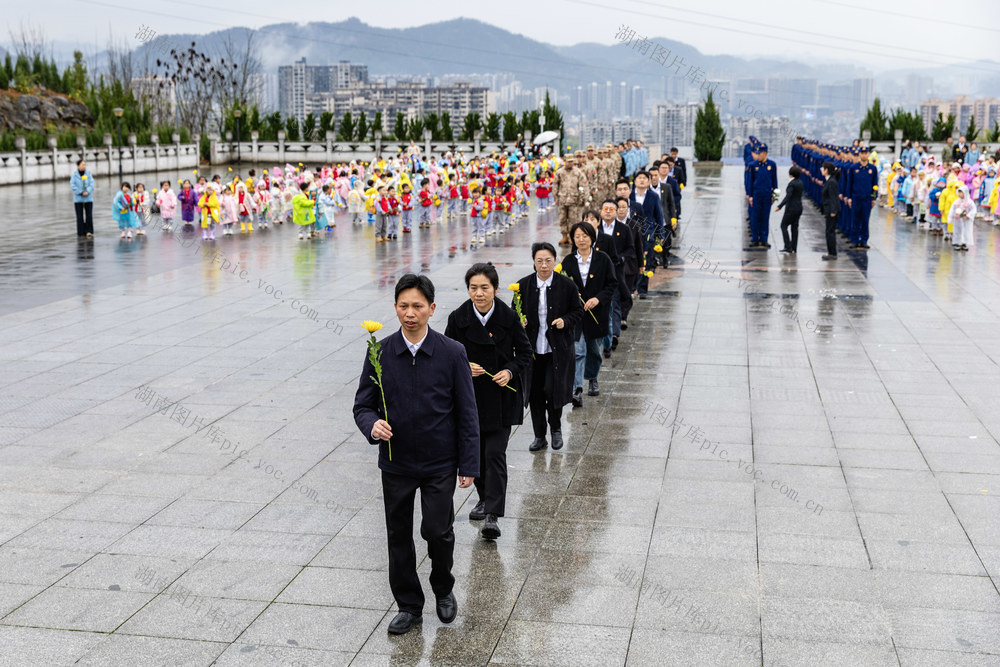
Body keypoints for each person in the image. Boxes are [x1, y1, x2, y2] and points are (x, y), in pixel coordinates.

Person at [353, 274, 480, 636]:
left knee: (438, 531)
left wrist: (469, 464)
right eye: (403, 306)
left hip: (440, 462)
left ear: (432, 309)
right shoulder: (379, 352)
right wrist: (372, 425)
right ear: (395, 308)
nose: (410, 313)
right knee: (398, 535)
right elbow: (363, 405)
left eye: (418, 306)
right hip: (397, 463)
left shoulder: (452, 353)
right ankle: (409, 605)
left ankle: (443, 587)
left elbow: (467, 412)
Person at [444, 263, 532, 541]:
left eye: (484, 287)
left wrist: (509, 371)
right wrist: (464, 366)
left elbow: (525, 353)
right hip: (469, 399)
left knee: (494, 454)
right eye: (473, 288)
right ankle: (483, 497)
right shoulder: (458, 318)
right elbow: (445, 356)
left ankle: (492, 514)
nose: (479, 293)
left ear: (495, 289)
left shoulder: (508, 316)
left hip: (501, 398)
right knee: (476, 454)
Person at [515, 243, 584, 451]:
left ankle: (555, 429)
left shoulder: (567, 285)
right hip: (533, 352)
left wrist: (565, 321)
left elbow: (578, 311)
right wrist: (520, 321)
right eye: (539, 261)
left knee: (552, 390)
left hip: (557, 350)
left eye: (548, 261)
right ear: (534, 262)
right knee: (535, 393)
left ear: (555, 261)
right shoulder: (523, 285)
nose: (544, 265)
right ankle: (539, 435)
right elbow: (514, 313)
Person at [562, 222, 618, 403]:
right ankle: (577, 389)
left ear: (592, 238)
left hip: (597, 313)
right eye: (577, 236)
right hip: (577, 315)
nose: (581, 239)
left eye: (585, 236)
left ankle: (592, 378)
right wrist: (572, 295)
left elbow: (611, 284)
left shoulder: (603, 259)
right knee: (578, 351)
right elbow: (562, 285)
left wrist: (598, 299)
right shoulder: (568, 261)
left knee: (594, 350)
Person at [596, 198, 633, 353]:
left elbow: (630, 249)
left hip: (615, 272)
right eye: (605, 209)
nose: (608, 212)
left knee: (615, 302)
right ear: (601, 211)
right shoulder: (595, 229)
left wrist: (620, 258)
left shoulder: (624, 229)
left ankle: (614, 335)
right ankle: (603, 335)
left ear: (617, 212)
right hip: (597, 274)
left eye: (612, 209)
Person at [629, 171, 664, 299]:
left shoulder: (653, 196)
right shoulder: (629, 195)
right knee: (632, 260)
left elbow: (658, 216)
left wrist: (660, 235)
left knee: (646, 261)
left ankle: (643, 289)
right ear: (635, 181)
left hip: (648, 233)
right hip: (631, 232)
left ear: (649, 181)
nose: (642, 180)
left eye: (645, 178)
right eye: (639, 178)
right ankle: (631, 287)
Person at [747, 143, 778, 248]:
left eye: (760, 153)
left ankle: (764, 239)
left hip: (767, 195)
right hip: (756, 195)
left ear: (765, 153)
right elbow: (750, 182)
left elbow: (775, 182)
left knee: (765, 217)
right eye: (757, 153)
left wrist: (775, 197)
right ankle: (755, 239)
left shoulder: (772, 165)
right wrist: (749, 195)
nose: (758, 155)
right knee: (755, 218)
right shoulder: (753, 165)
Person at [776, 166, 804, 253]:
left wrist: (780, 206)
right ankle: (794, 247)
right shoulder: (800, 182)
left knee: (783, 225)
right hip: (799, 207)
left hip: (791, 208)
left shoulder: (791, 184)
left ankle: (787, 246)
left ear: (790, 174)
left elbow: (788, 196)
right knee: (794, 227)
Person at [71, 159, 95, 238]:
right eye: (82, 164)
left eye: (85, 165)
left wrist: (87, 191)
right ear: (78, 166)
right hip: (78, 199)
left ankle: (89, 231)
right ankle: (81, 232)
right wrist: (81, 192)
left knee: (89, 215)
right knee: (79, 216)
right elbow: (73, 186)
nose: (84, 166)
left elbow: (92, 184)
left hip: (88, 198)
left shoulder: (88, 174)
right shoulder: (74, 175)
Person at [821, 162, 840, 260]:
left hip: (831, 211)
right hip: (828, 209)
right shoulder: (829, 180)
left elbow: (833, 197)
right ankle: (830, 251)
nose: (821, 169)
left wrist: (833, 211)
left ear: (826, 170)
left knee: (830, 232)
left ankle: (832, 253)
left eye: (823, 168)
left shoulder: (831, 182)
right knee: (829, 231)